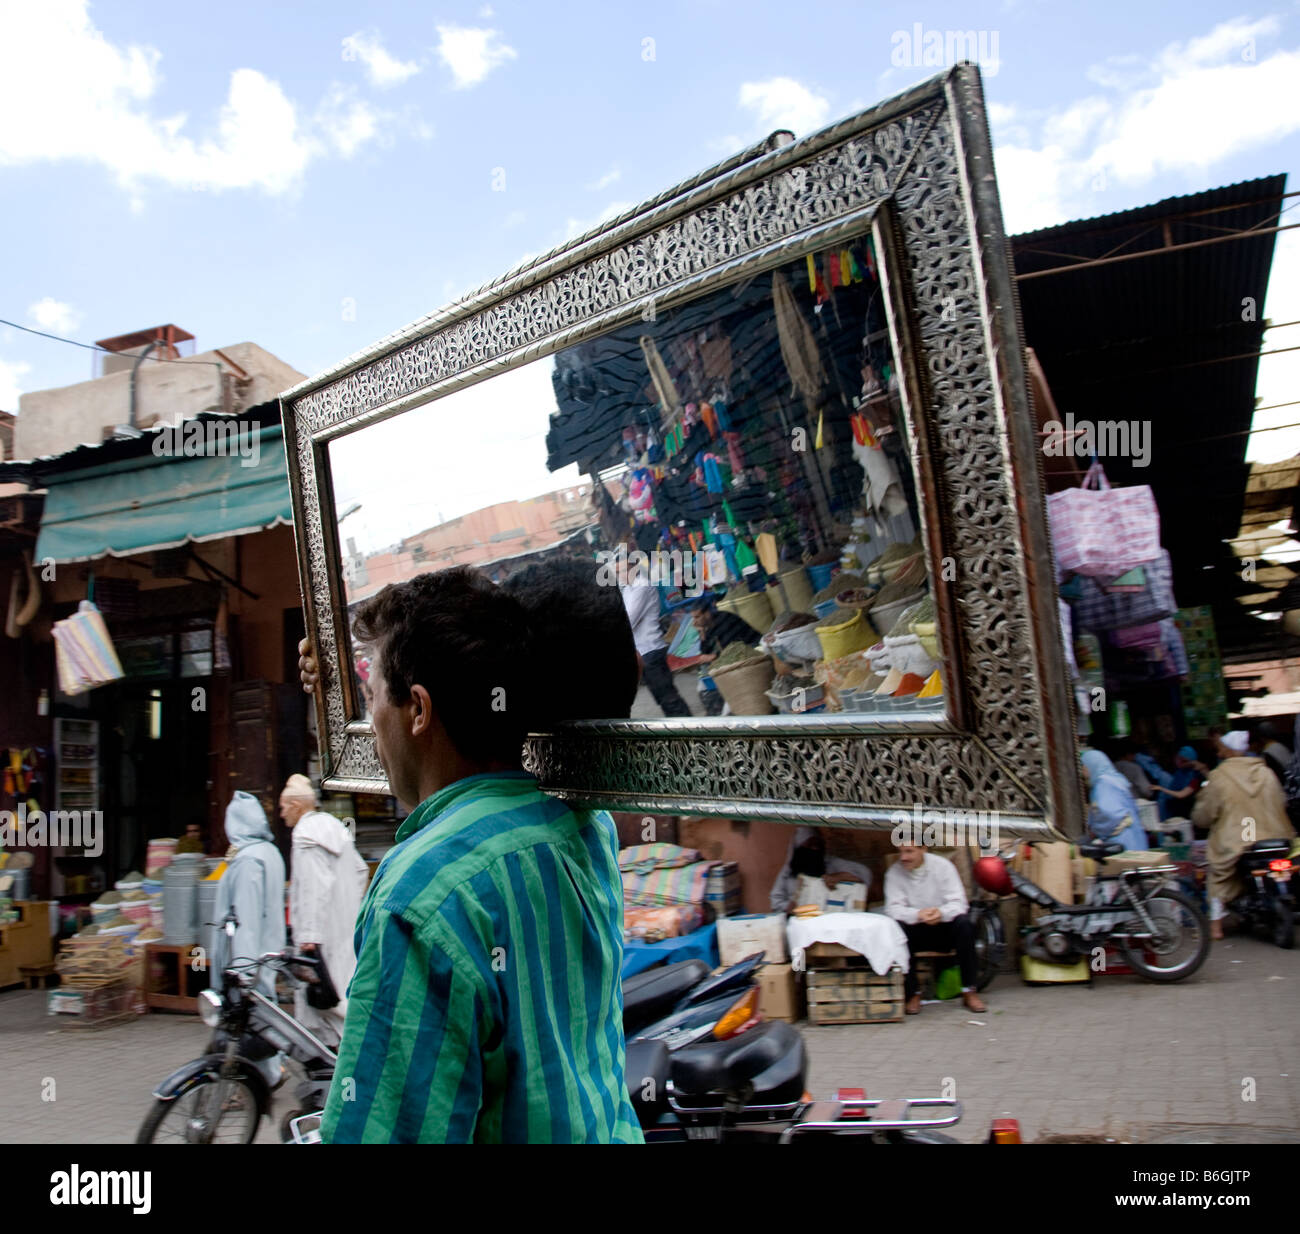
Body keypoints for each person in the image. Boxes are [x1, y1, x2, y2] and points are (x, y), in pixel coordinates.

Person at [302, 565, 641, 1143]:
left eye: (370, 698)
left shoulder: (420, 896)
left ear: (419, 709)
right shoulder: (584, 827)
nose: (368, 723)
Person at [279, 774, 369, 1050]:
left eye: (283, 807)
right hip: (344, 926)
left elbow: (312, 889)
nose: (281, 814)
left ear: (296, 805)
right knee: (340, 992)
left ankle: (340, 1066)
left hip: (322, 935)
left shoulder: (306, 835)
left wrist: (309, 935)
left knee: (326, 999)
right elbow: (360, 871)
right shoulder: (333, 827)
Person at [210, 791, 287, 1089]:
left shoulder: (247, 861)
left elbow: (247, 916)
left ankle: (244, 1082)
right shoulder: (269, 852)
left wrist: (242, 969)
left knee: (244, 1020)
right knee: (262, 1016)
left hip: (248, 956)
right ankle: (268, 1073)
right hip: (267, 950)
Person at [1192, 729, 1297, 940]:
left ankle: (1215, 928)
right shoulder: (1265, 772)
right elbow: (1282, 801)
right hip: (1277, 835)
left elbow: (1205, 813)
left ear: (1227, 752)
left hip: (1240, 838)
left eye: (1221, 750)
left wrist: (1200, 819)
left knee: (1218, 875)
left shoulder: (1220, 776)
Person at [883, 843, 986, 1015]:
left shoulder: (943, 867)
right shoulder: (894, 873)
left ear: (923, 849)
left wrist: (941, 912)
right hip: (915, 930)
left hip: (943, 929)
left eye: (909, 851)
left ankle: (969, 990)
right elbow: (893, 910)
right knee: (897, 929)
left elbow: (959, 903)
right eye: (901, 852)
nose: (903, 858)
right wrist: (918, 914)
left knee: (965, 925)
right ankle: (913, 993)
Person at [619, 546, 692, 717]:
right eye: (617, 571)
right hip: (643, 653)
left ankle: (691, 734)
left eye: (624, 569)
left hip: (651, 651)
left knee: (669, 699)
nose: (620, 574)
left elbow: (628, 620)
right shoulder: (628, 589)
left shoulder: (641, 587)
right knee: (663, 700)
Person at [769, 826, 871, 912]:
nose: (814, 849)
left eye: (817, 845)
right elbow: (775, 899)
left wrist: (839, 876)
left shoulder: (830, 862)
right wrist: (790, 907)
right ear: (800, 847)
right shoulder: (789, 870)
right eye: (810, 845)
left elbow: (864, 874)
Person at [1080, 748, 1149, 851]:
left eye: (1084, 768)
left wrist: (1095, 830)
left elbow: (1109, 814)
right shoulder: (1115, 779)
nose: (1083, 773)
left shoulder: (1103, 784)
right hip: (1134, 835)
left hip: (1122, 840)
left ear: (1092, 765)